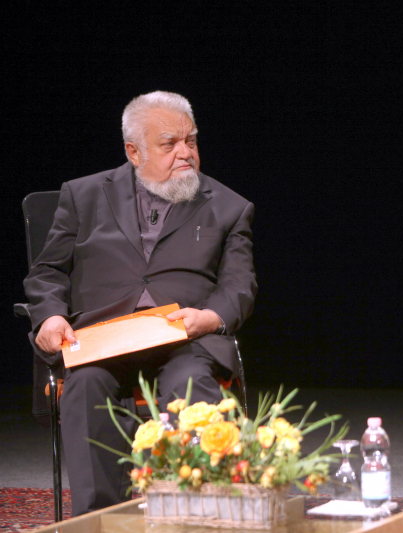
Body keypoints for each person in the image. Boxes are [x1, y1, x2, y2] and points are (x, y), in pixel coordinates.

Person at [23, 91, 257, 515]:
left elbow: (239, 285)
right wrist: (51, 316)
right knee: (86, 387)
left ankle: (202, 515)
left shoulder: (229, 206)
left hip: (185, 340)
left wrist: (210, 317)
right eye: (170, 144)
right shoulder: (82, 195)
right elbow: (47, 272)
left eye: (191, 141)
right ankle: (99, 520)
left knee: (192, 386)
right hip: (102, 340)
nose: (185, 153)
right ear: (134, 152)